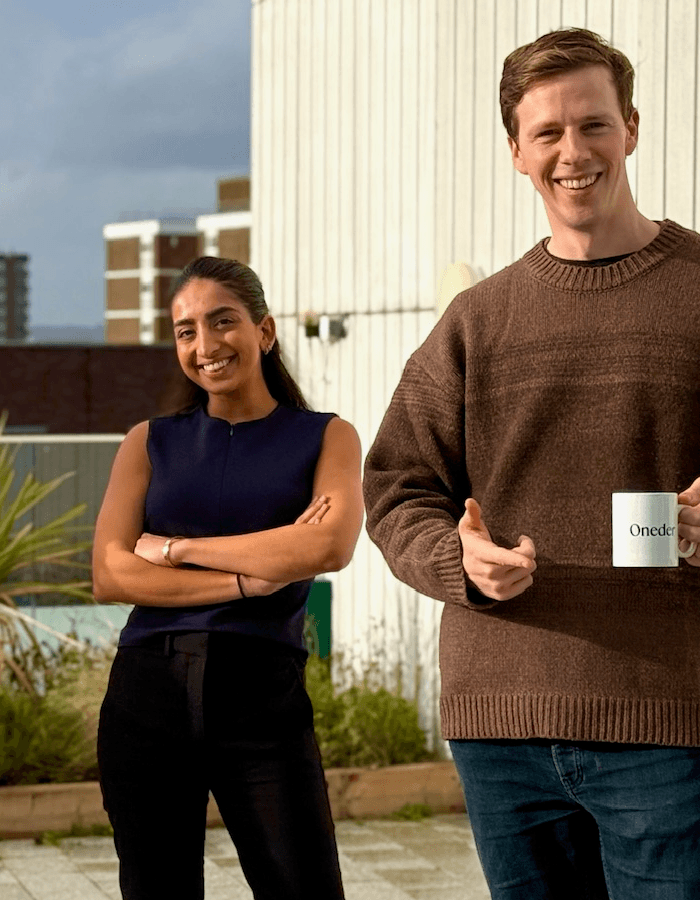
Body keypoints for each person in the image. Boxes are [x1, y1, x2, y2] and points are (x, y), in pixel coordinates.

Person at [363, 27, 700, 900]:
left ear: (631, 126)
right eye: (547, 133)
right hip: (501, 730)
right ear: (516, 151)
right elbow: (397, 487)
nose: (572, 151)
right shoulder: (476, 321)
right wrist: (456, 561)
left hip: (668, 722)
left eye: (592, 124)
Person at [93, 255, 363, 900]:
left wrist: (178, 550)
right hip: (145, 695)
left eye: (223, 322)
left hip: (260, 697)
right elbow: (109, 572)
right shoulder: (147, 442)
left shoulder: (327, 437)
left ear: (264, 331)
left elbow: (327, 545)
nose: (206, 345)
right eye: (187, 331)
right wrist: (251, 578)